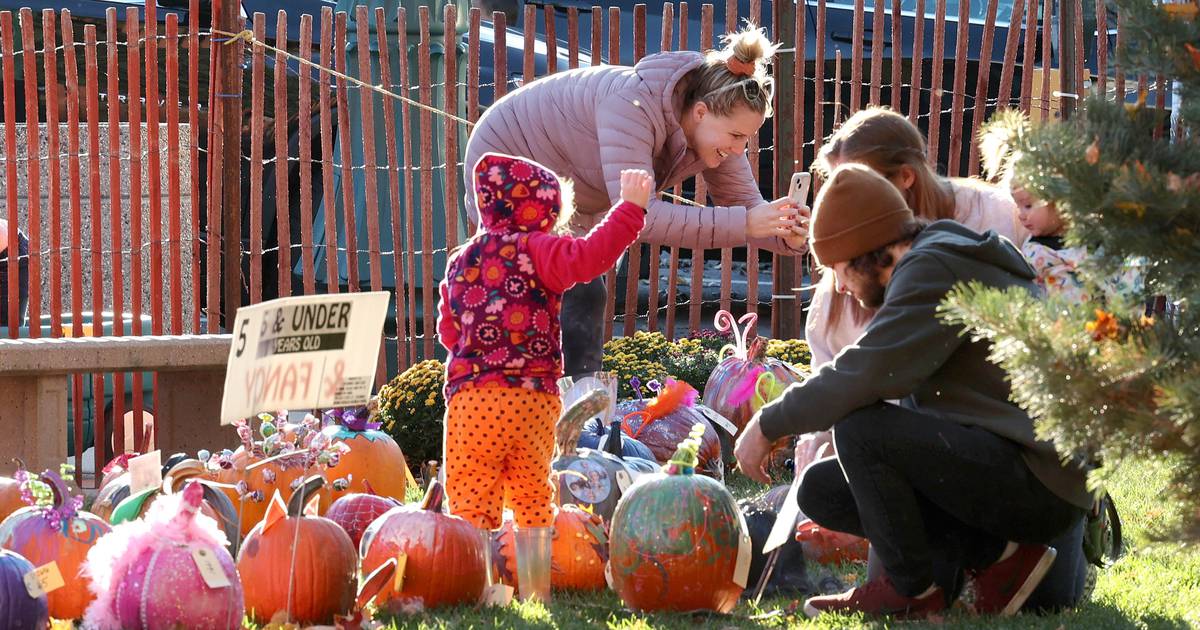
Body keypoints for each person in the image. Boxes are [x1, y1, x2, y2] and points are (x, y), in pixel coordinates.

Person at [733, 164, 1092, 619]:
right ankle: (999, 558)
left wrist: (767, 423)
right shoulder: (938, 256)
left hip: (1040, 477)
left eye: (840, 270)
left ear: (868, 251)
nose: (840, 286)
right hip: (1023, 466)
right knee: (824, 489)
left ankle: (912, 593)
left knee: (861, 429)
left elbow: (864, 373)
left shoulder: (932, 267)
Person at [463, 25, 808, 379]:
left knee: (578, 290)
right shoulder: (632, 104)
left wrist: (785, 233)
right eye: (737, 136)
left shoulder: (717, 127)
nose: (740, 150)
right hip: (510, 164)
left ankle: (573, 405)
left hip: (574, 188)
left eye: (747, 139)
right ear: (701, 112)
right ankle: (542, 401)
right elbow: (642, 216)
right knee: (556, 293)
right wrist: (749, 223)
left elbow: (747, 208)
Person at [437, 152, 650, 603]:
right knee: (534, 492)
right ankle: (538, 593)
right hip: (534, 397)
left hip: (473, 398)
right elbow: (591, 257)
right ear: (543, 208)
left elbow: (447, 329)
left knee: (473, 491)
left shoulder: (462, 260)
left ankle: (477, 589)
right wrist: (630, 208)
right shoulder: (540, 249)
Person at [793, 106, 1029, 471]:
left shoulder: (998, 219)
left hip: (1002, 434)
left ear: (905, 177)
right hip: (908, 444)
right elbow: (835, 358)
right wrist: (818, 431)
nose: (845, 204)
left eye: (861, 182)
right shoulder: (855, 263)